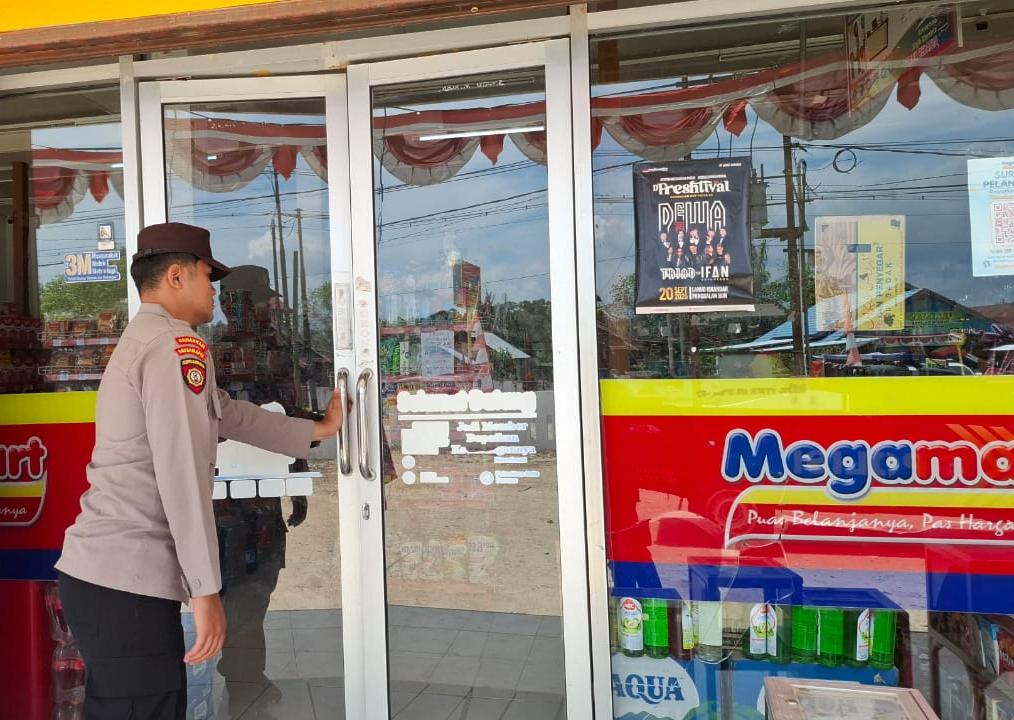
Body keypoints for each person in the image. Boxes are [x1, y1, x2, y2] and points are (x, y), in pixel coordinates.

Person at [55, 222, 346, 720]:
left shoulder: (151, 340)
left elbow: (226, 413)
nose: (214, 291)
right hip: (125, 581)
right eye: (208, 277)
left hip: (112, 580)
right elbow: (181, 474)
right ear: (176, 276)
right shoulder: (172, 346)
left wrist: (316, 430)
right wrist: (206, 591)